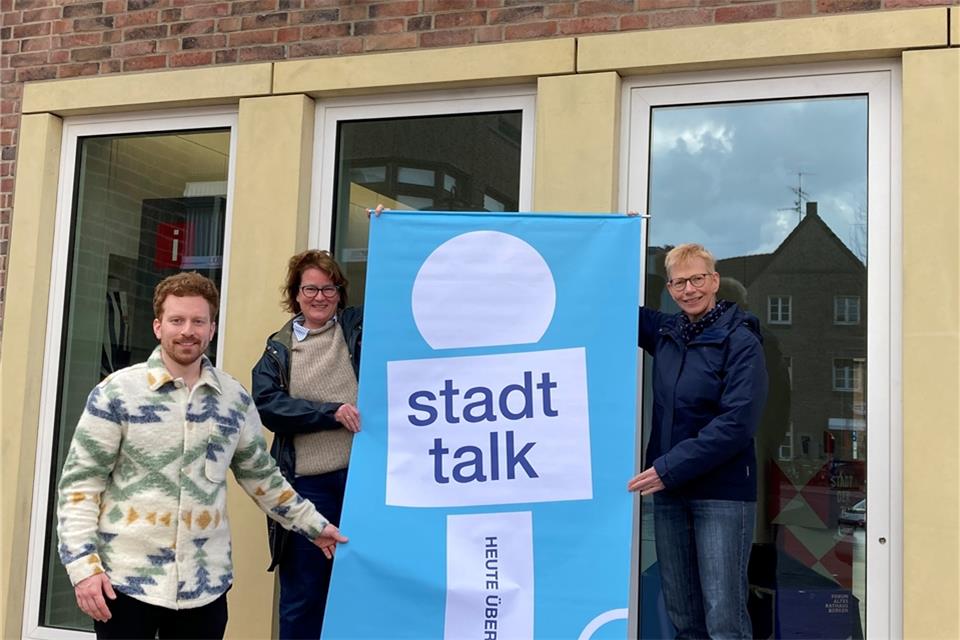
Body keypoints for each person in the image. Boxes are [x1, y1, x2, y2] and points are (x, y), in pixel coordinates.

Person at [57, 272, 347, 640]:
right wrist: (84, 569)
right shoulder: (117, 393)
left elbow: (262, 477)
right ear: (158, 326)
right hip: (126, 584)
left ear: (211, 329)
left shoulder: (233, 399)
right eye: (177, 320)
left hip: (205, 588)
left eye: (198, 321)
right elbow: (80, 486)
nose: (187, 331)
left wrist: (315, 526)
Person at [628, 243, 768, 639]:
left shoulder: (741, 341)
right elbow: (610, 303)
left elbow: (737, 423)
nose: (689, 290)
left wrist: (668, 467)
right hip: (672, 493)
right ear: (669, 289)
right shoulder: (667, 332)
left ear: (715, 281)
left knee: (724, 620)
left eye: (697, 279)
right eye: (679, 283)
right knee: (683, 614)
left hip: (721, 496)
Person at [251, 250, 362, 639]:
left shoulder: (358, 330)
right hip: (308, 491)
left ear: (340, 293)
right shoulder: (277, 349)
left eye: (329, 288)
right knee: (304, 595)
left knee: (362, 589)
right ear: (295, 294)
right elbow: (270, 407)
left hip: (363, 484)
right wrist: (330, 413)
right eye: (310, 289)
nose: (320, 297)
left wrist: (390, 228)